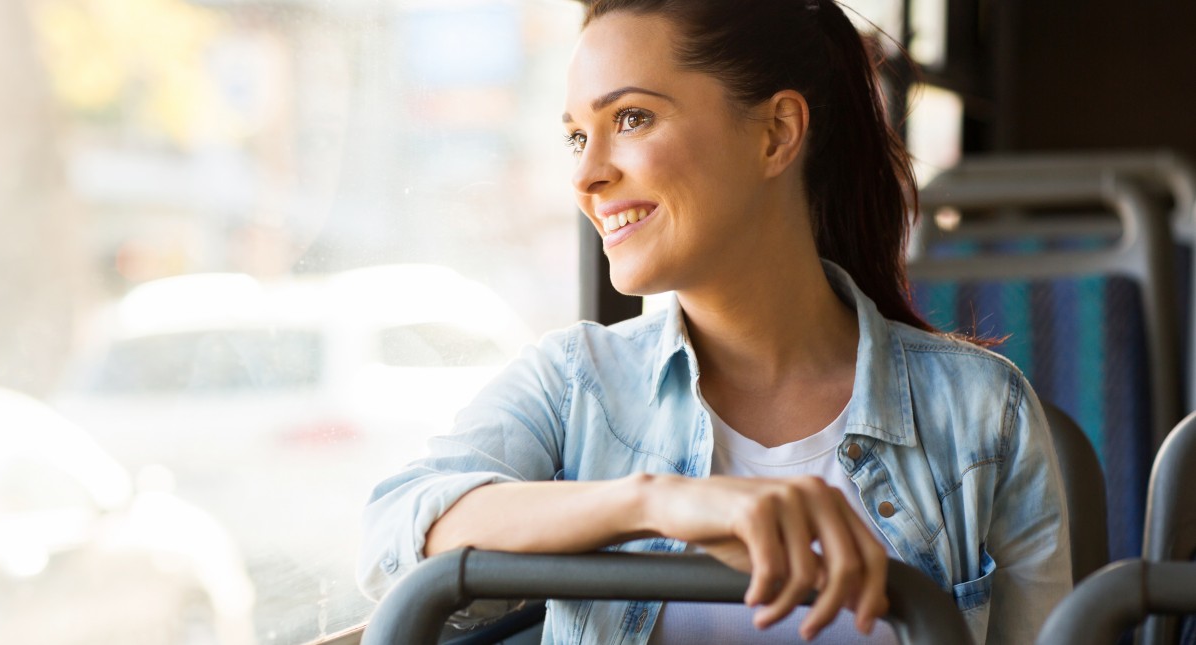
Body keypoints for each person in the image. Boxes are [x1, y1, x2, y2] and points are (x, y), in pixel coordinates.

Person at [358, 0, 1071, 642]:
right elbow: (396, 538)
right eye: (578, 136)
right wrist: (658, 501)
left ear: (776, 132)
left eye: (631, 118)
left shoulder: (984, 416)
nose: (585, 175)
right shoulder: (577, 385)